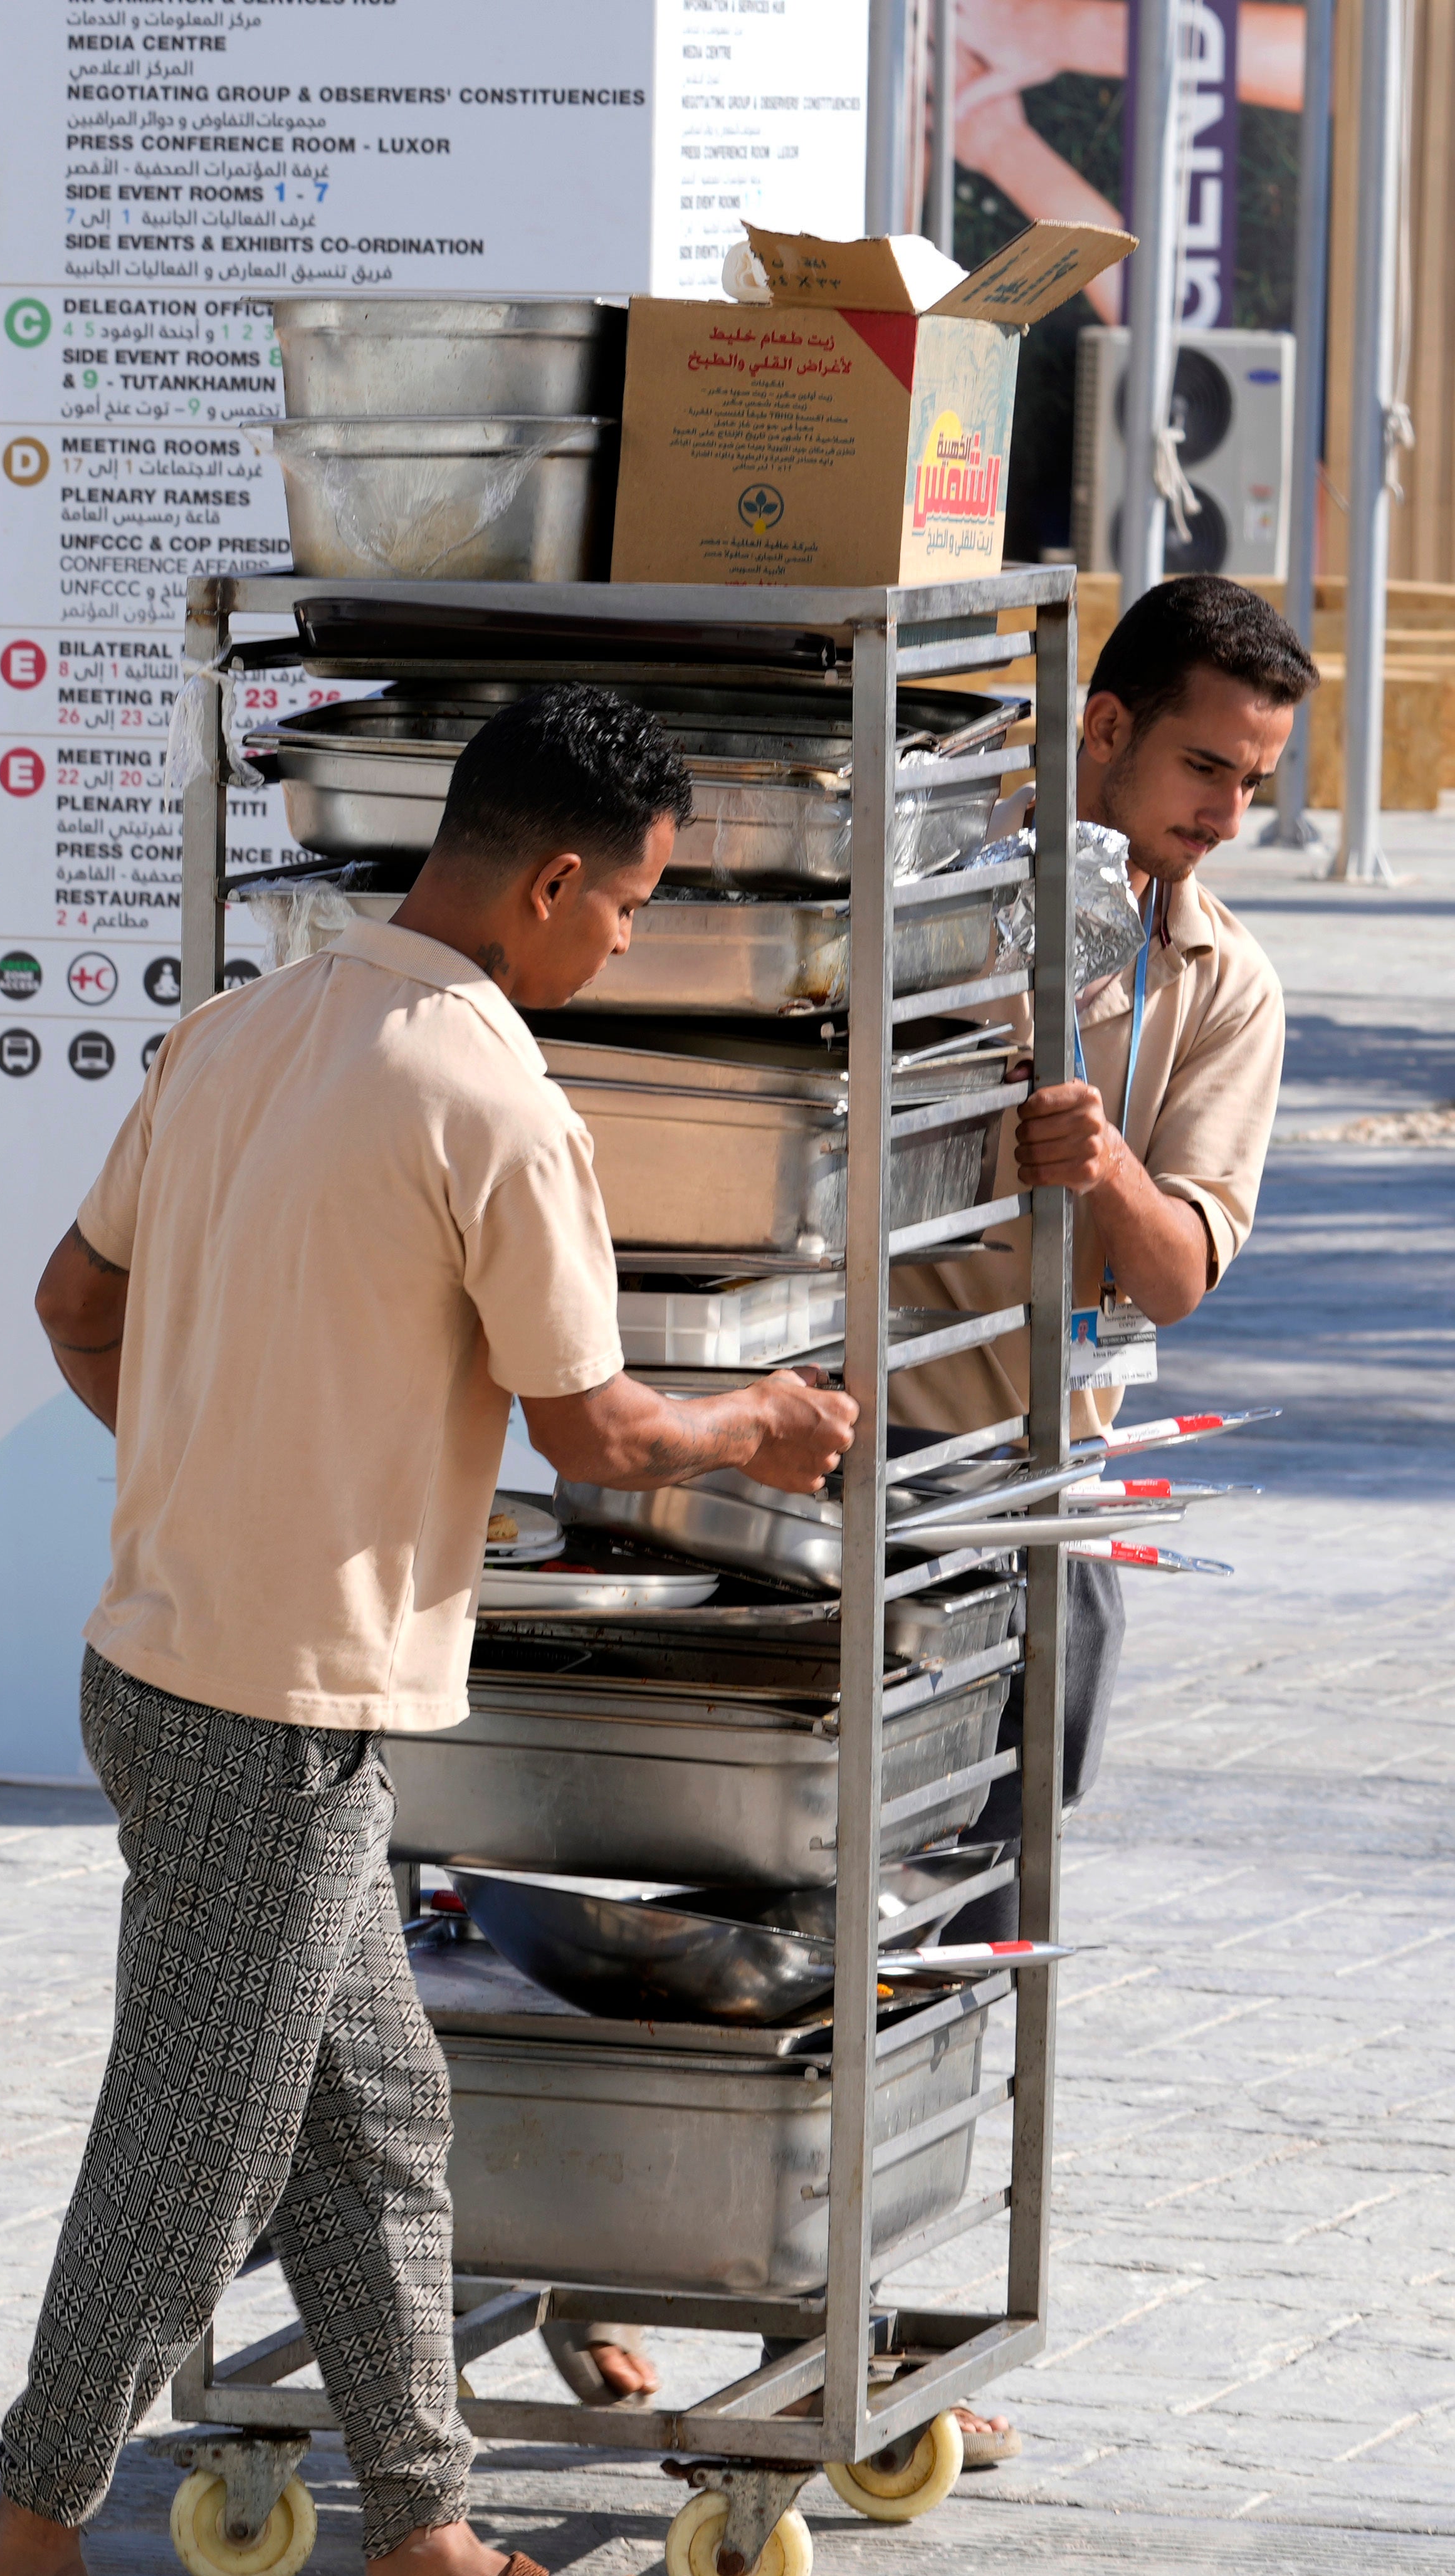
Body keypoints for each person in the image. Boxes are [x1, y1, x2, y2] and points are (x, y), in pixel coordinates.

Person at [0, 686, 858, 2576]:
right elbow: (597, 1431)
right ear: (543, 882)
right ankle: (19, 2562)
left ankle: (427, 2553)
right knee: (191, 2158)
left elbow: (73, 1309)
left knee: (382, 2122)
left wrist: (225, 1460)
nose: (622, 940)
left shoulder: (241, 1026)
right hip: (277, 1711)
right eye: (624, 907)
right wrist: (768, 1427)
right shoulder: (493, 1097)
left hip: (167, 1655)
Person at [557, 572, 1311, 2448]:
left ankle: (843, 2301)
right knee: (693, 1875)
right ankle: (597, 2238)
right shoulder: (935, 898)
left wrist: (1103, 1163)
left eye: (1253, 785)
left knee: (943, 1902)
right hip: (788, 1464)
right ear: (1103, 728)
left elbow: (1172, 1272)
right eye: (1200, 766)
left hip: (1012, 1498)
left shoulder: (1225, 982)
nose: (1220, 811)